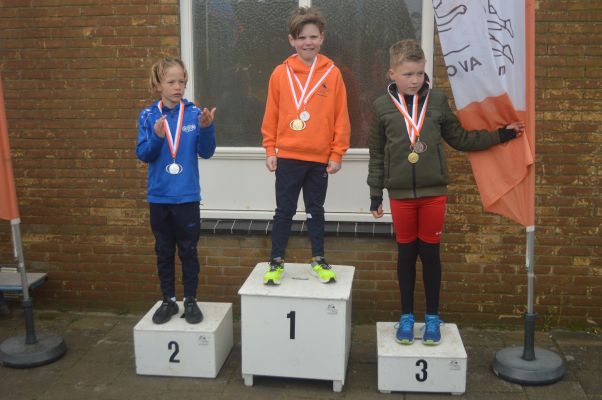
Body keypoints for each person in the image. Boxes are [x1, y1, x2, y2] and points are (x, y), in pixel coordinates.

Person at [367, 39, 524, 345]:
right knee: (406, 255)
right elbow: (376, 153)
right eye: (408, 74)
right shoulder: (381, 106)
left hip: (433, 194)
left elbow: (460, 138)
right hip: (400, 196)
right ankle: (406, 317)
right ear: (392, 73)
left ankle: (432, 318)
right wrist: (376, 193)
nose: (415, 80)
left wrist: (501, 135)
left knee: (430, 255)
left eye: (420, 73)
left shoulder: (437, 101)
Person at [261, 7, 351, 285]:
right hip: (288, 156)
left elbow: (341, 116)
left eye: (313, 37)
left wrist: (337, 152)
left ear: (322, 38)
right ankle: (276, 261)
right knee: (284, 211)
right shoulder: (280, 73)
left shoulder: (333, 73)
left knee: (316, 210)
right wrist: (270, 149)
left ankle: (318, 259)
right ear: (292, 40)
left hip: (319, 158)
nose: (307, 42)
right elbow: (271, 114)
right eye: (301, 38)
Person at [136, 57, 216, 325]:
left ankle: (190, 300)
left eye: (182, 81)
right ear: (158, 85)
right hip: (159, 198)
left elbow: (207, 152)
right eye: (171, 82)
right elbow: (143, 154)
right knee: (163, 251)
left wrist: (207, 128)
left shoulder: (194, 114)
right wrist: (158, 137)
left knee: (188, 251)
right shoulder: (148, 116)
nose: (178, 87)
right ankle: (168, 300)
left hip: (187, 197)